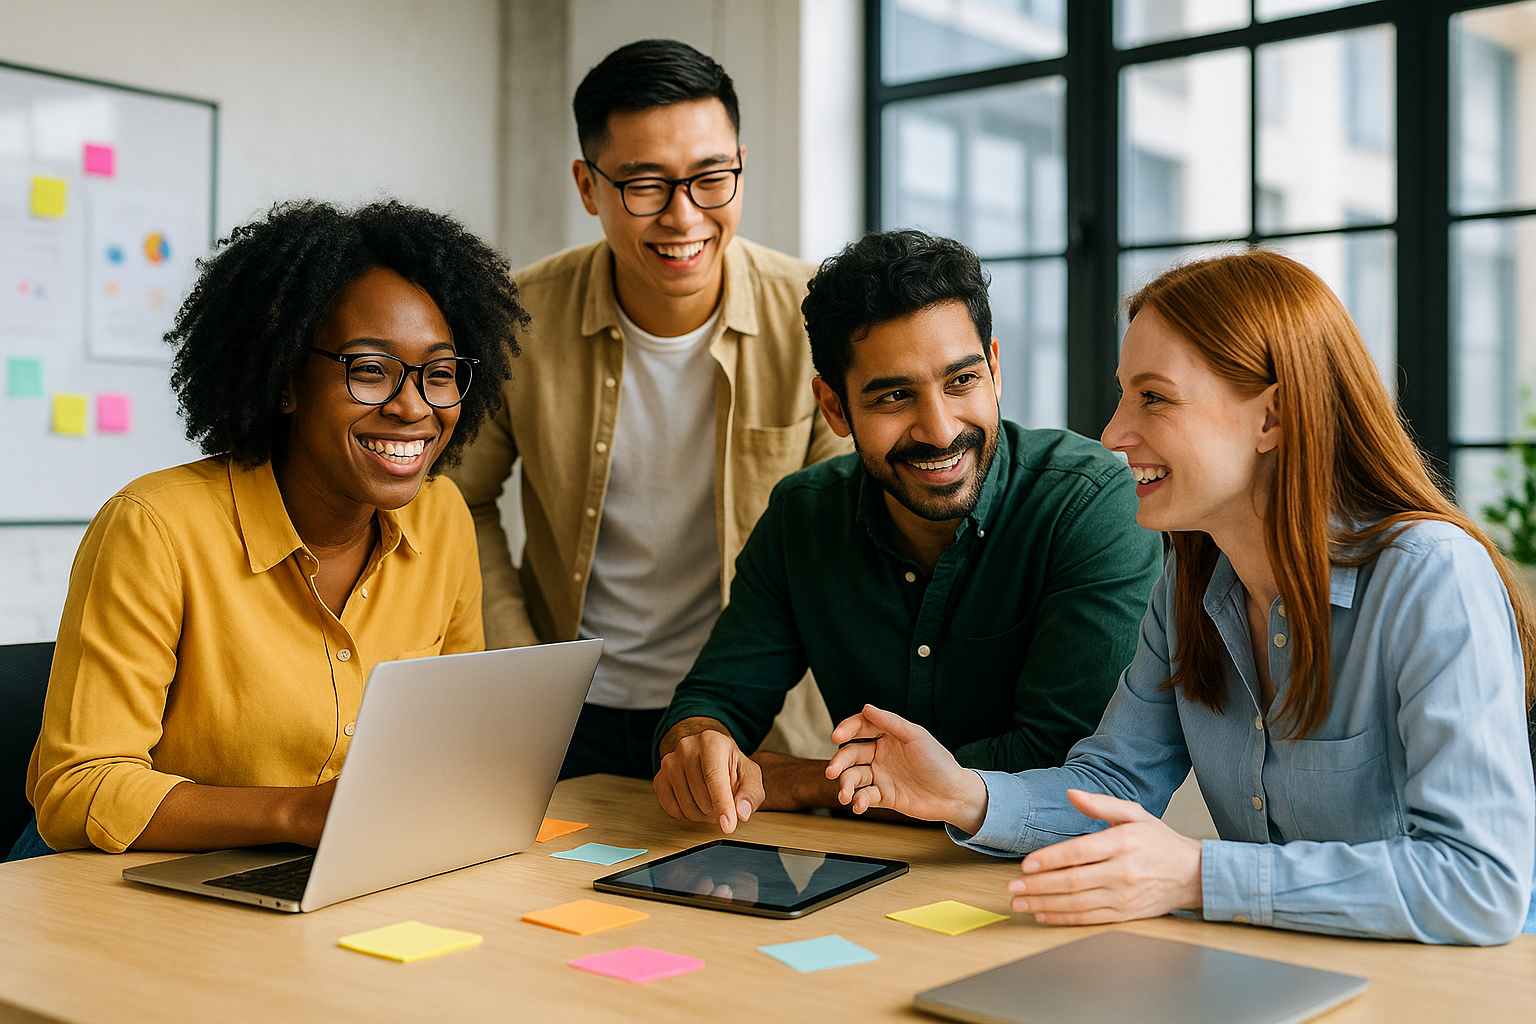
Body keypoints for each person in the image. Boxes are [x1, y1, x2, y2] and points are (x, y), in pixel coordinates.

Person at [826, 249, 1536, 945]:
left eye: (1154, 398)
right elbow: (1114, 783)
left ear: (1272, 418)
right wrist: (962, 794)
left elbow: (1480, 882)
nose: (1111, 433)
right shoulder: (1192, 582)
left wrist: (1199, 875)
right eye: (1123, 392)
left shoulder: (1432, 576)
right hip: (1272, 975)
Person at [10, 200, 525, 858]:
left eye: (440, 373)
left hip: (312, 871)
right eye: (370, 371)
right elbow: (76, 790)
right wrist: (295, 814)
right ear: (287, 380)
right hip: (112, 887)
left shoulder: (442, 515)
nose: (412, 406)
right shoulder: (155, 529)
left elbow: (454, 739)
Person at [652, 230, 1162, 834]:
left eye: (962, 381)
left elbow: (1068, 765)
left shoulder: (1092, 503)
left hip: (1034, 878)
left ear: (994, 369)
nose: (940, 430)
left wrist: (807, 781)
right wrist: (701, 745)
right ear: (835, 408)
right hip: (865, 872)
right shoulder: (802, 517)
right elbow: (714, 701)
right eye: (895, 396)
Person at [448, 39, 848, 781]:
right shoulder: (516, 318)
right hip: (563, 715)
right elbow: (457, 495)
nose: (683, 216)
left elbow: (843, 527)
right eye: (644, 186)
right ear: (587, 185)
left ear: (740, 166)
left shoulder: (818, 318)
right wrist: (519, 659)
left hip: (757, 718)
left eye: (710, 179)